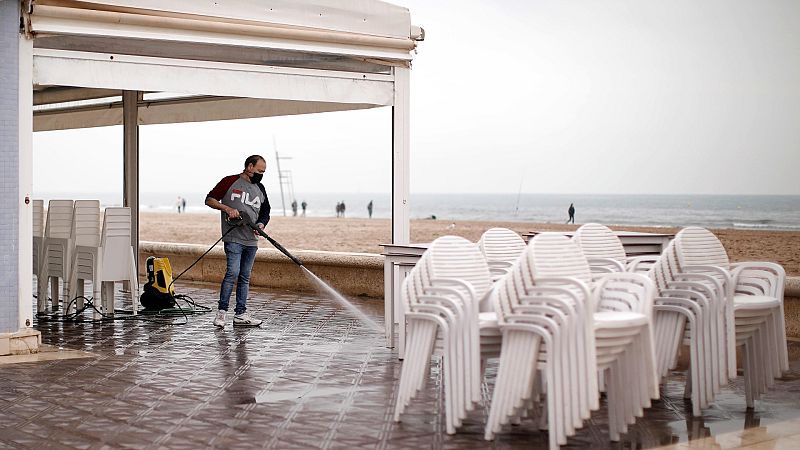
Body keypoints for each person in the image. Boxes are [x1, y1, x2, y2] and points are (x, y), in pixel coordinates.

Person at [205, 155, 271, 328]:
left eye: (263, 172)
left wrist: (261, 224)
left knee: (245, 276)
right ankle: (221, 313)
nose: (261, 175)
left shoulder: (260, 188)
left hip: (251, 240)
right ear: (249, 167)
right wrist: (227, 209)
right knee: (232, 273)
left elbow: (266, 211)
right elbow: (210, 199)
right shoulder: (229, 181)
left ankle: (241, 314)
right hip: (233, 237)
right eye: (259, 171)